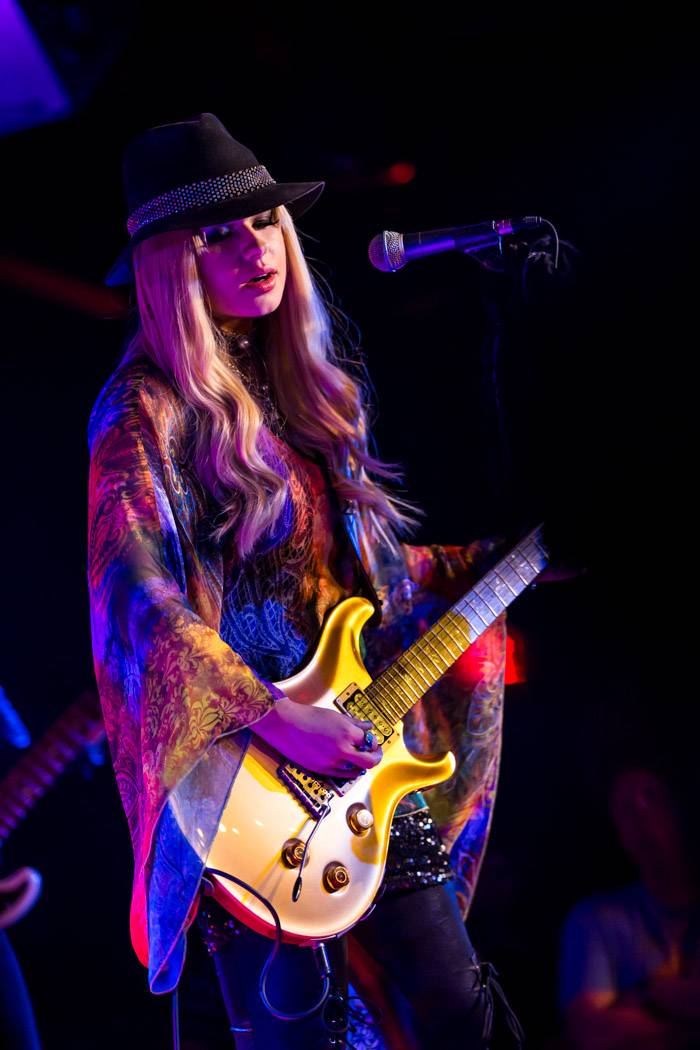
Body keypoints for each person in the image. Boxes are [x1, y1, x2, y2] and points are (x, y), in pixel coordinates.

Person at [87, 112, 524, 1049]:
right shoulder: (143, 411)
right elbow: (137, 602)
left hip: (357, 765)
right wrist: (278, 717)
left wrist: (510, 561)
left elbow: (373, 588)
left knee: (465, 1015)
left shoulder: (305, 395)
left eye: (263, 221)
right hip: (242, 787)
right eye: (216, 234)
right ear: (169, 266)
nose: (255, 248)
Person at [557, 766, 700, 1050]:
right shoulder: (595, 918)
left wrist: (647, 999)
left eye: (651, 796)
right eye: (625, 808)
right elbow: (591, 1031)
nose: (642, 813)